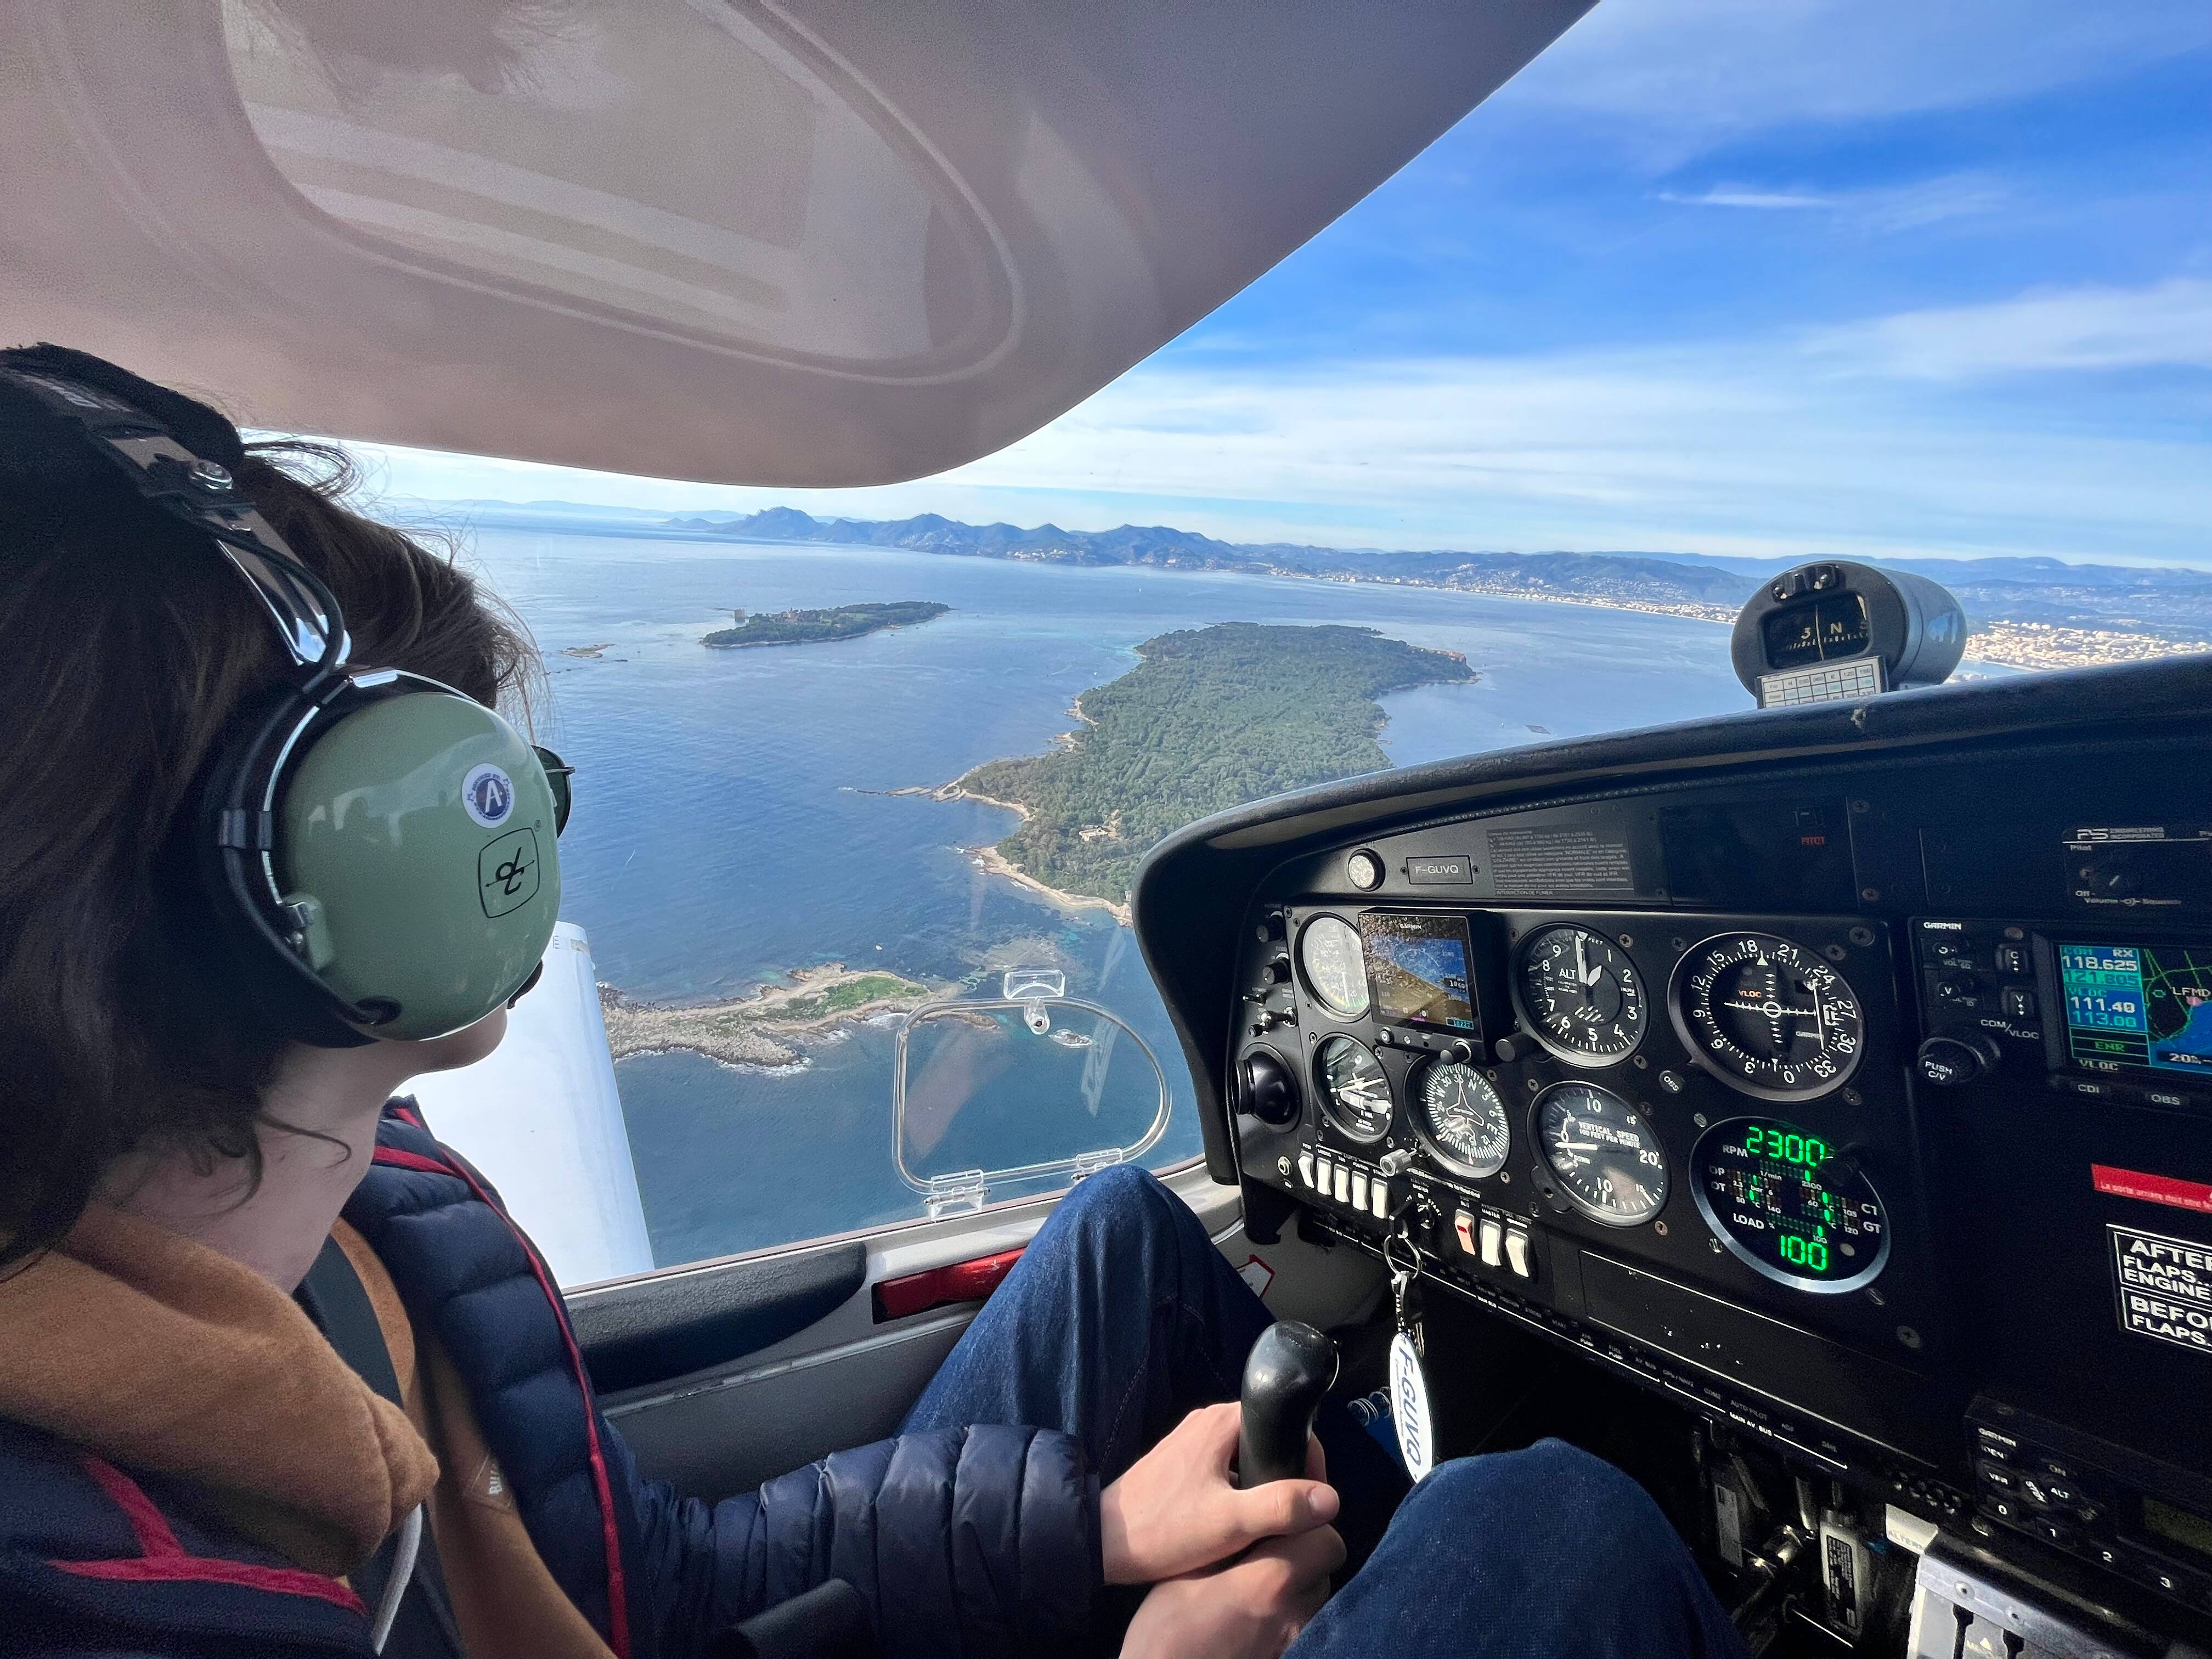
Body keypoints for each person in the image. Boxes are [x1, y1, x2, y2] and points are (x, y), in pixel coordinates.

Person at [0, 346, 1747, 1659]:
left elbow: (657, 1586)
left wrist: (1087, 1527)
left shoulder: (357, 1236)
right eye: (473, 802)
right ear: (326, 895)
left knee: (1117, 1233)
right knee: (1552, 1531)